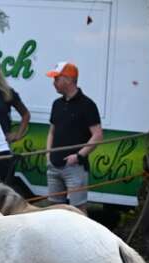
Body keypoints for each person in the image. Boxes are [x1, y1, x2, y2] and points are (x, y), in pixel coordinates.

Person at [45, 61, 102, 211]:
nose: (53, 83)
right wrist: (48, 154)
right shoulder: (56, 104)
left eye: (57, 79)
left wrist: (78, 156)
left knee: (79, 209)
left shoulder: (88, 105)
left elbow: (97, 135)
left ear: (69, 80)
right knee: (54, 209)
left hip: (75, 166)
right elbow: (52, 131)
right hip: (54, 165)